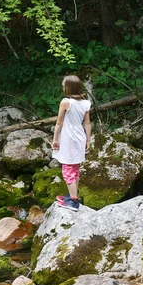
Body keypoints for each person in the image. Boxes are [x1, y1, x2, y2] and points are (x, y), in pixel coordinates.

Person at [52, 75, 92, 211]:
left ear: (68, 88)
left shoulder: (66, 102)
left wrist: (55, 139)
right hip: (80, 137)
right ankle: (72, 195)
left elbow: (59, 122)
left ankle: (73, 201)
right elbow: (87, 123)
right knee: (75, 168)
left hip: (68, 138)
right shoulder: (85, 103)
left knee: (67, 169)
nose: (63, 88)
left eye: (64, 86)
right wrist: (88, 140)